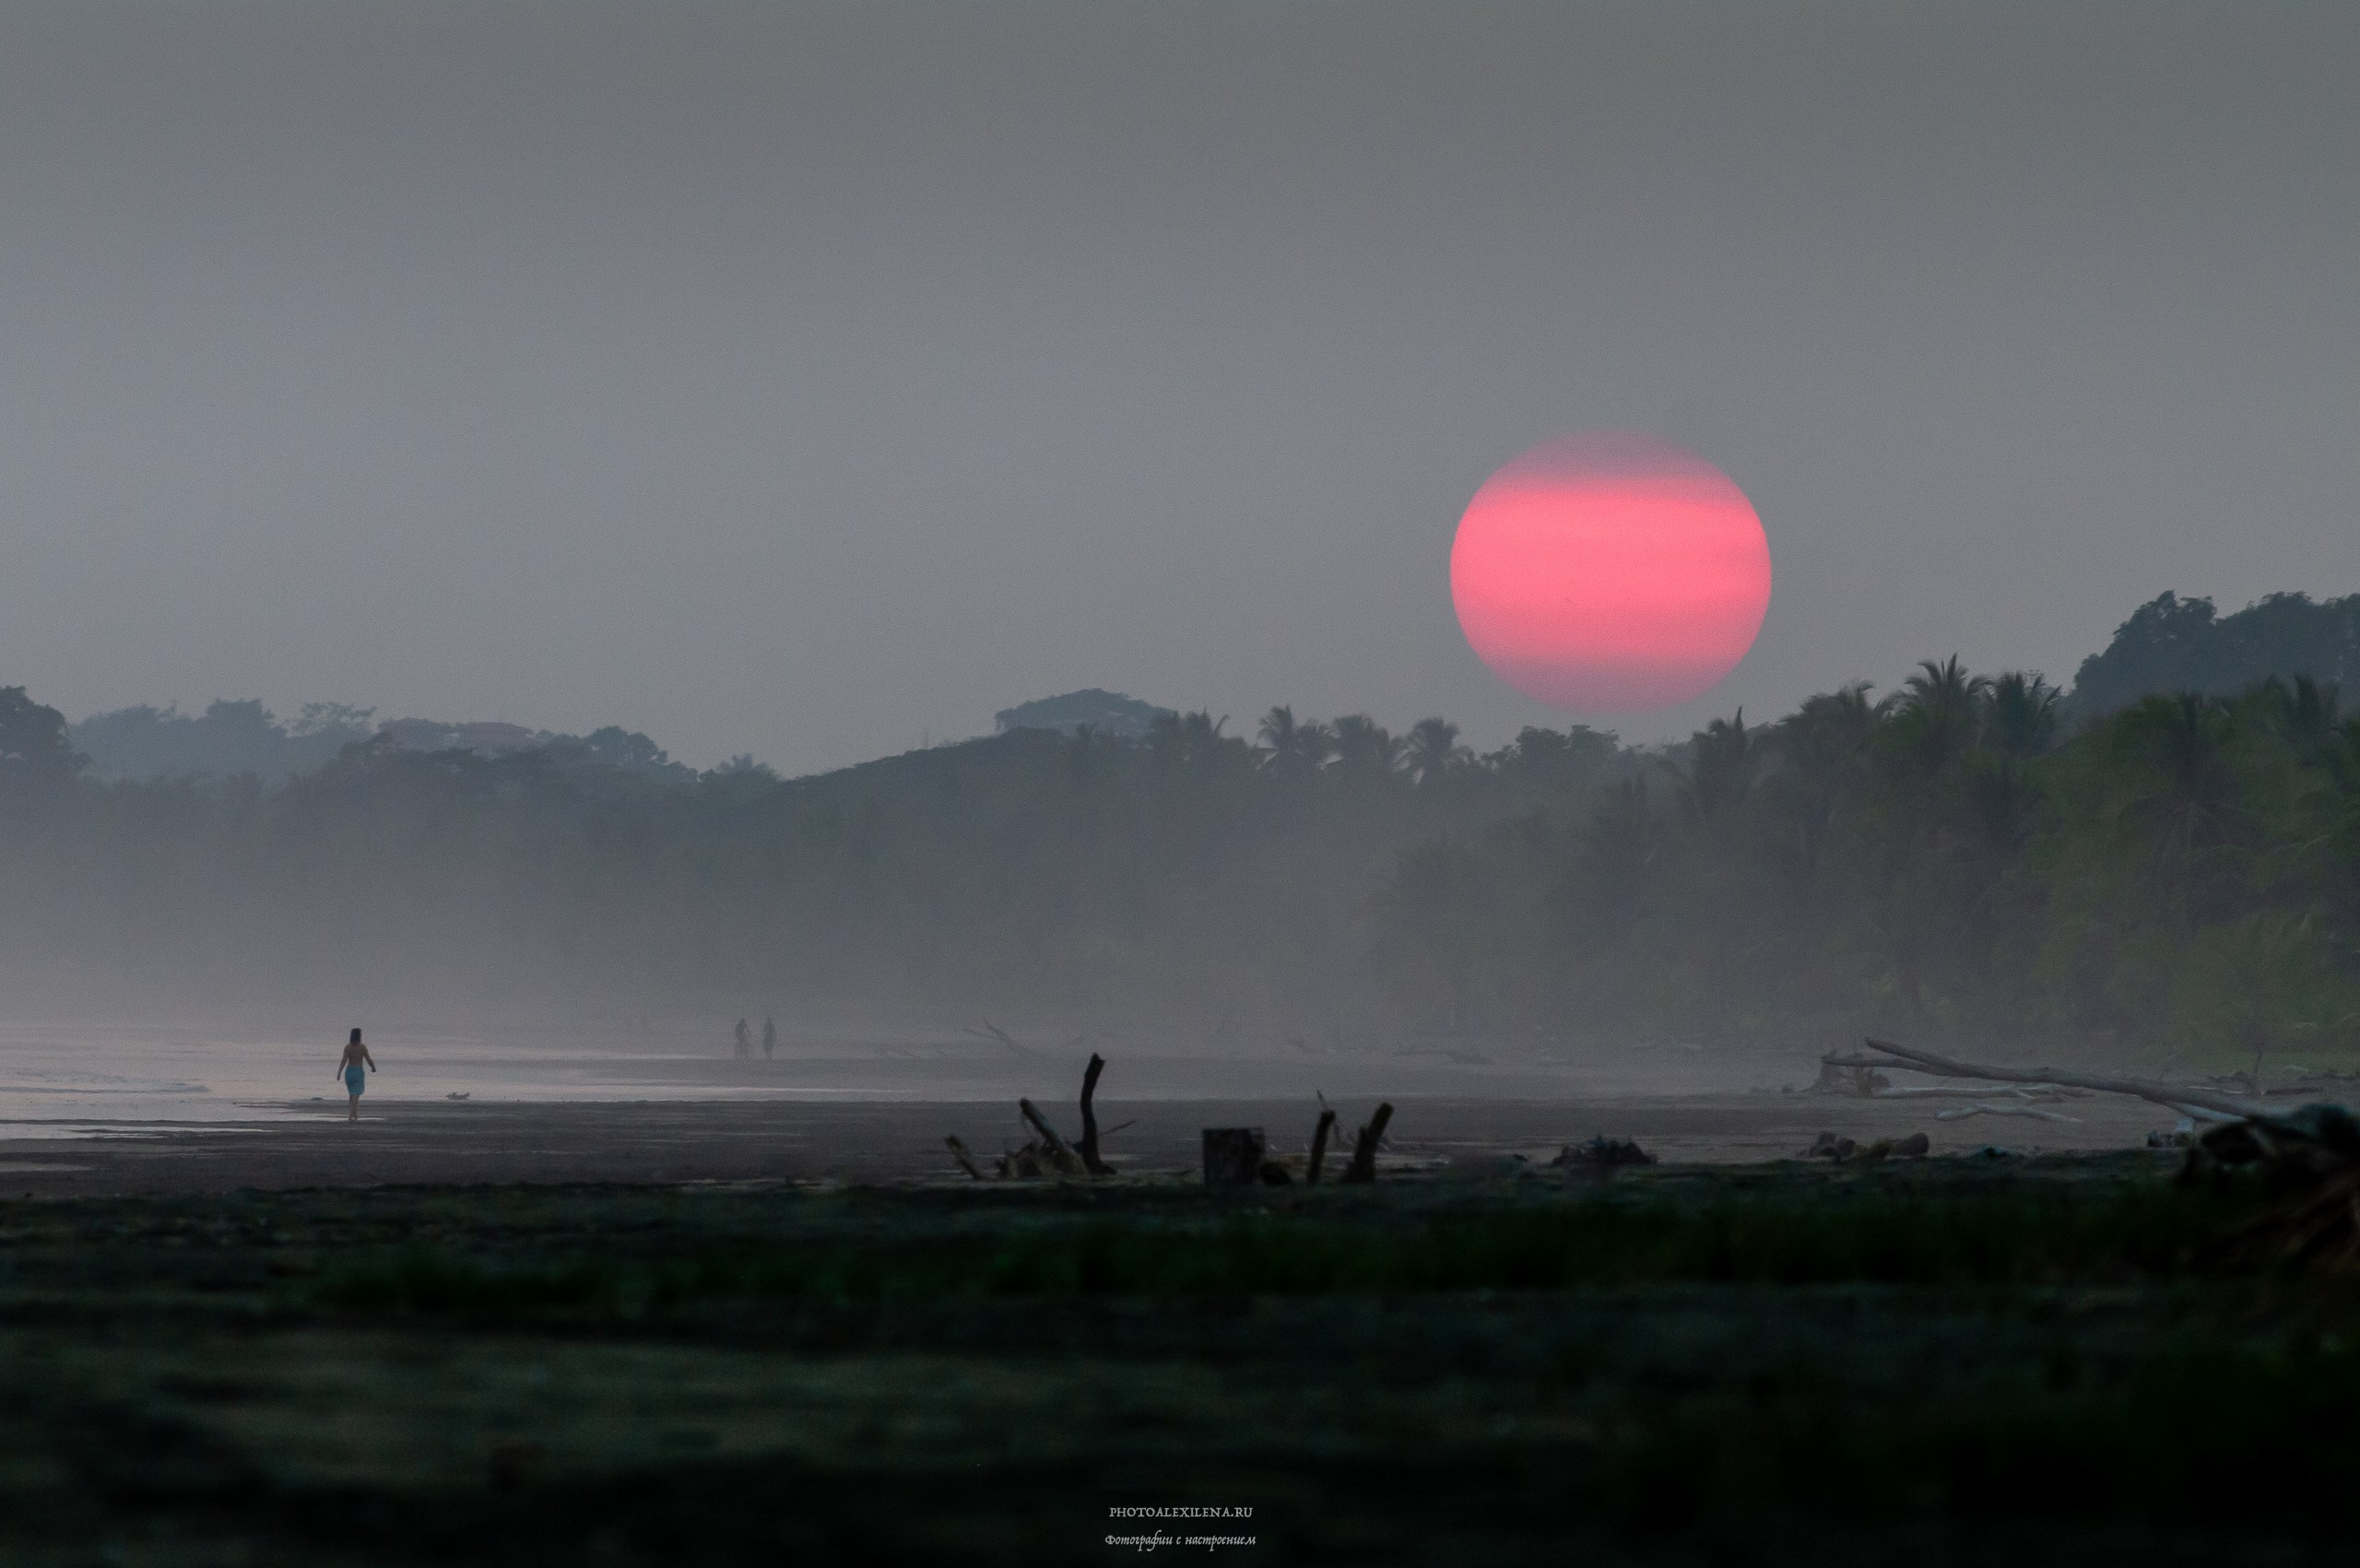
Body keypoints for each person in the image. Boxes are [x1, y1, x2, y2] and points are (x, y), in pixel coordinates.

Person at [336, 1028, 376, 1122]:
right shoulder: (362, 1047)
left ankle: (354, 1114)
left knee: (352, 1094)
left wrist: (339, 1072)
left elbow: (344, 1061)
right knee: (355, 1094)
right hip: (358, 1071)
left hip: (349, 1071)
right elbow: (368, 1059)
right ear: (359, 1036)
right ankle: (351, 1115)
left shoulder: (347, 1047)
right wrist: (373, 1067)